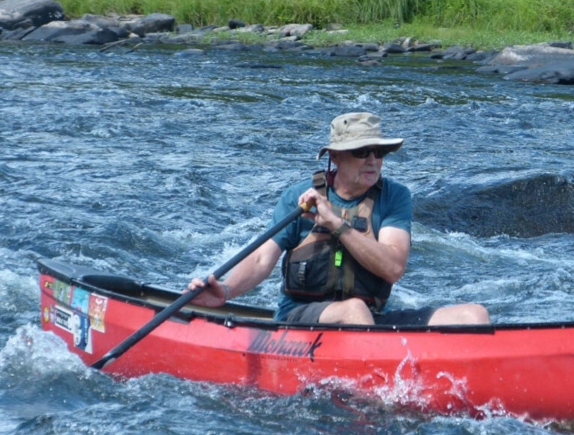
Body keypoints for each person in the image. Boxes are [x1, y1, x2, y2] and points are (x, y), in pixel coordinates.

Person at [188, 112, 490, 326]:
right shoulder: (298, 197)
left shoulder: (395, 197)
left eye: (379, 151)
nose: (373, 160)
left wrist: (335, 223)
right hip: (300, 318)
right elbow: (260, 261)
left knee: (474, 316)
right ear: (336, 157)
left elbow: (393, 267)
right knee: (354, 310)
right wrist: (225, 292)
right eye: (361, 152)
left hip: (371, 319)